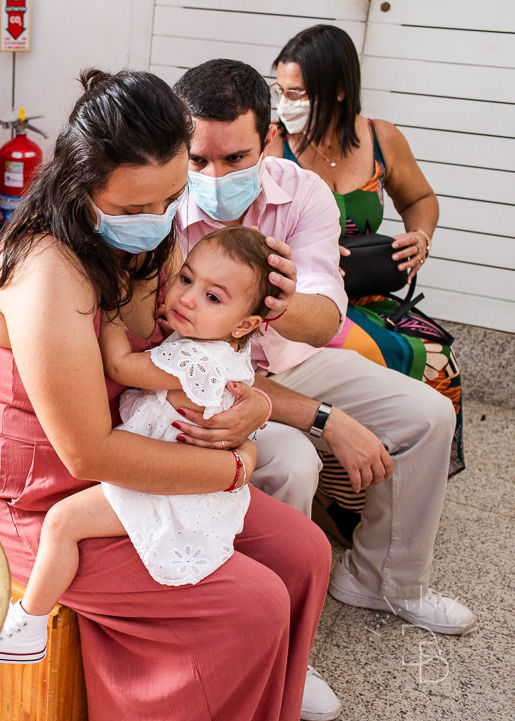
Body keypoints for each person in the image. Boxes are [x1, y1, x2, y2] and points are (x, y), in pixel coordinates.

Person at [0, 68, 331, 721]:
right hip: (46, 503)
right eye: (133, 208)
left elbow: (191, 359)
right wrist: (233, 465)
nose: (157, 221)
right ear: (80, 185)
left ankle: (264, 699)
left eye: (169, 199)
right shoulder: (48, 273)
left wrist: (258, 408)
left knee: (304, 554)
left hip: (136, 466)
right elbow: (89, 455)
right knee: (255, 603)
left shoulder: (151, 243)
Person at [172, 57, 474, 693]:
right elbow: (175, 344)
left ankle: (382, 581)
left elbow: (325, 315)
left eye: (234, 159)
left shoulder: (302, 193)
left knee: (430, 414)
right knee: (294, 464)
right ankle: (273, 638)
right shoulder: (166, 199)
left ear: (269, 140)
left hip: (289, 358)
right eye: (199, 159)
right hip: (203, 374)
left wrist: (280, 305)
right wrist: (326, 422)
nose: (214, 176)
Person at [0, 226, 279, 664]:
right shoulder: (219, 348)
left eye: (213, 298)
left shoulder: (195, 359)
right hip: (181, 478)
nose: (187, 299)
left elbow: (122, 366)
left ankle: (28, 623)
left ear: (245, 324)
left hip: (165, 488)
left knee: (62, 524)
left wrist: (108, 311)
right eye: (186, 279)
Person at [268, 24, 463, 544]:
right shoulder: (271, 148)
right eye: (278, 91)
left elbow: (420, 200)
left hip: (369, 294)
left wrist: (420, 236)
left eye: (297, 95)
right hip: (311, 300)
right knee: (374, 362)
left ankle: (394, 495)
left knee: (440, 365)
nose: (284, 105)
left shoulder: (380, 138)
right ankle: (337, 495)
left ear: (337, 90)